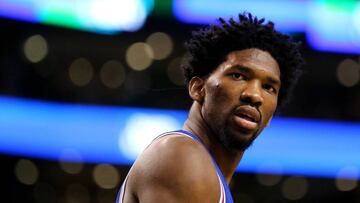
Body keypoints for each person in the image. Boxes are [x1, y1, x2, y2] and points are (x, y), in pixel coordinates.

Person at [117, 12, 304, 203]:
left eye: (268, 87)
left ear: (270, 117)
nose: (255, 95)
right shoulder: (181, 155)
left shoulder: (208, 173)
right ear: (198, 88)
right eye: (238, 76)